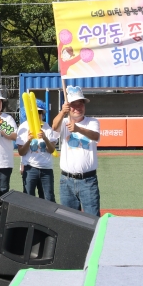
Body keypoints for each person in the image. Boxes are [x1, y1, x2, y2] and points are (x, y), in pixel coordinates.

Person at [52, 86, 101, 216]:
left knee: (93, 219)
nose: (77, 108)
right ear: (68, 107)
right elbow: (54, 126)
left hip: (88, 181)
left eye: (80, 104)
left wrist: (78, 129)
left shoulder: (92, 122)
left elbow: (95, 136)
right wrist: (62, 112)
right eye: (73, 105)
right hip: (66, 181)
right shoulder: (64, 122)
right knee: (69, 220)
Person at [17, 100, 57, 202]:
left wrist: (45, 138)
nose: (37, 115)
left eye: (40, 112)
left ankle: (48, 218)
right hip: (30, 168)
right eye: (34, 112)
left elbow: (52, 150)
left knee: (48, 199)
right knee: (28, 200)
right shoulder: (23, 127)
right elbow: (21, 152)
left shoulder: (47, 127)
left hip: (46, 169)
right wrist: (29, 140)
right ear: (28, 113)